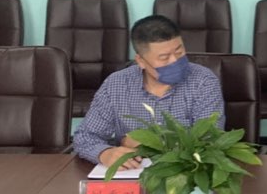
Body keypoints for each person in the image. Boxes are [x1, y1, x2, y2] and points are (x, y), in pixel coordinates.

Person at [73, 14, 225, 167]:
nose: (175, 61)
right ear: (141, 61)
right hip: (131, 172)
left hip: (186, 170)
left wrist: (150, 142)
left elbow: (209, 139)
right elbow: (86, 136)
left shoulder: (203, 81)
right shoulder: (116, 84)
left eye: (179, 52)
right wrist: (104, 153)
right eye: (164, 57)